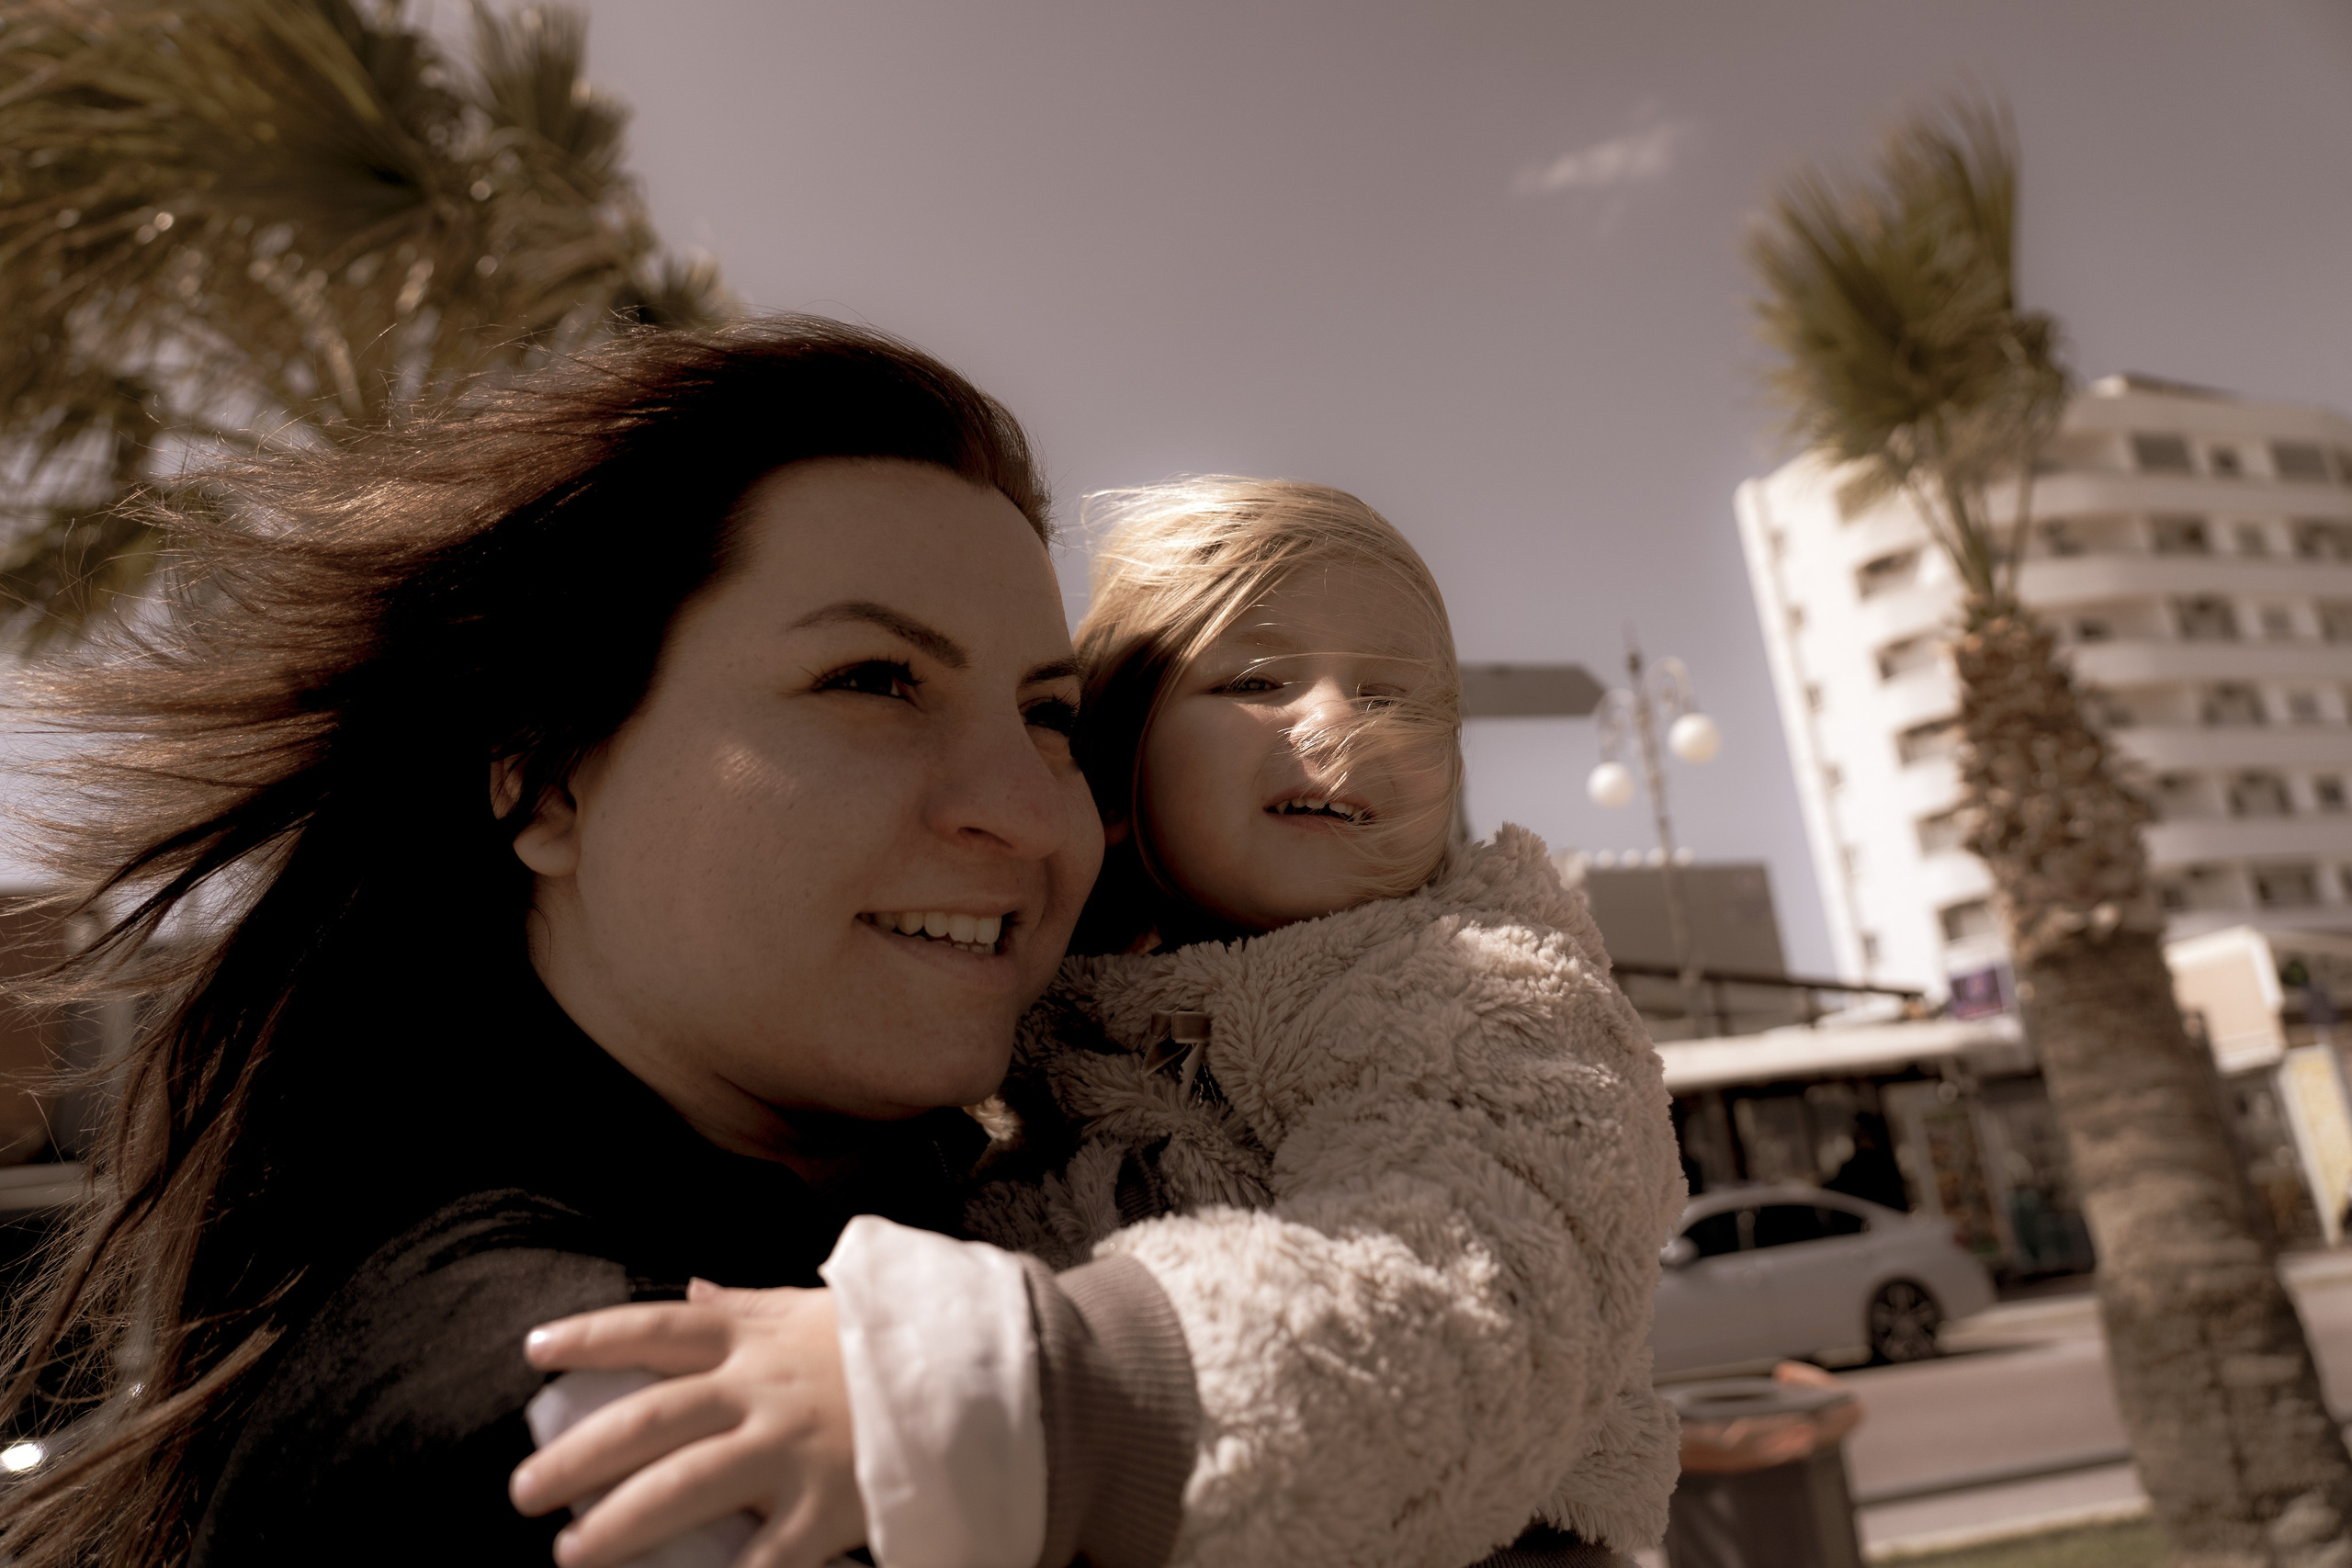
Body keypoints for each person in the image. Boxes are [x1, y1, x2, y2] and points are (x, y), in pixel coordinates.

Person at [0, 321, 1196, 1568]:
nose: (1021, 803)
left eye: (1049, 713)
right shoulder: (591, 1424)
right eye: (875, 678)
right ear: (552, 779)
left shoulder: (1041, 1218)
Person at [520, 479, 1684, 1568]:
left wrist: (968, 1391)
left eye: (1392, 694)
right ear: (1113, 772)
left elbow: (1465, 1294)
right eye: (1258, 682)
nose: (1340, 721)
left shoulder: (1484, 994)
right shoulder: (1055, 1011)